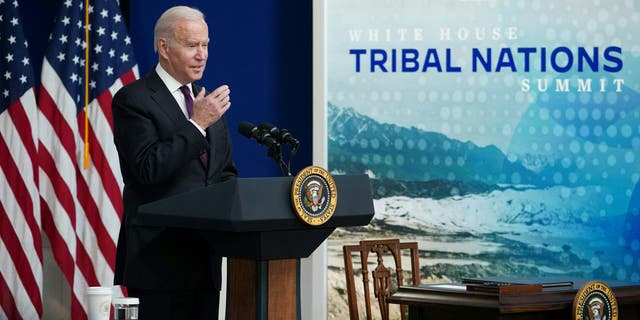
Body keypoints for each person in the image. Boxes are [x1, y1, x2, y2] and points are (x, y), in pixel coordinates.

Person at [111, 5, 237, 319]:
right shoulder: (134, 99)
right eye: (192, 45)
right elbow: (146, 169)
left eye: (205, 45)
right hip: (158, 265)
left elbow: (223, 175)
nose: (202, 54)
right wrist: (196, 125)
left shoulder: (206, 104)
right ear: (164, 47)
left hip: (205, 262)